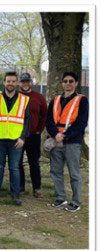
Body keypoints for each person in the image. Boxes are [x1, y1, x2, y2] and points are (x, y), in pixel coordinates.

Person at [46, 72, 88, 212]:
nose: (68, 83)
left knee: (74, 173)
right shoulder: (55, 100)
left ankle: (76, 201)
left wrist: (65, 136)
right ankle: (60, 197)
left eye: (71, 81)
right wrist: (55, 134)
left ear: (76, 83)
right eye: (65, 81)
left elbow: (81, 123)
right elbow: (49, 121)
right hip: (55, 140)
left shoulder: (81, 100)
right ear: (62, 83)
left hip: (72, 142)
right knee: (56, 171)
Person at [0, 72, 30, 206]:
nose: (10, 84)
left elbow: (27, 120)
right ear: (4, 83)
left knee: (14, 168)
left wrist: (23, 138)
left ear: (17, 83)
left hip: (16, 139)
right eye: (8, 81)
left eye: (13, 81)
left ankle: (15, 194)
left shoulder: (24, 100)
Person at [18, 72, 47, 198]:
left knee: (33, 162)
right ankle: (21, 186)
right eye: (23, 81)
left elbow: (44, 115)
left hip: (33, 135)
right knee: (17, 162)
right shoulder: (15, 96)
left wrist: (38, 130)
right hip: (18, 136)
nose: (25, 84)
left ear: (31, 82)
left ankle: (37, 187)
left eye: (27, 81)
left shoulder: (39, 97)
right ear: (20, 83)